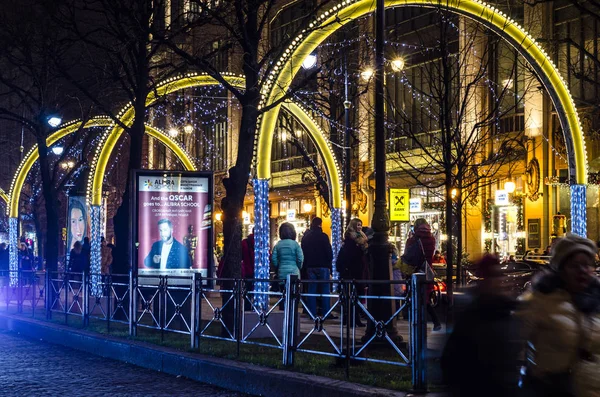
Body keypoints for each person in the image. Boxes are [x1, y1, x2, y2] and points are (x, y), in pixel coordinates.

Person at [519, 234, 600, 397]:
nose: (582, 271)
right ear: (561, 270)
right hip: (552, 390)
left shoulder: (597, 300)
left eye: (586, 265)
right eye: (574, 265)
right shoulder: (540, 300)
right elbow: (515, 347)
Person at [441, 254, 520, 397]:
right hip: (476, 387)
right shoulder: (471, 311)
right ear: (485, 281)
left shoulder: (506, 309)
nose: (502, 281)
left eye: (501, 275)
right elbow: (451, 358)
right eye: (495, 276)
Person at [403, 218, 441, 331]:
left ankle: (419, 322)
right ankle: (433, 322)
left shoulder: (413, 239)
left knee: (417, 297)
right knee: (425, 298)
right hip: (427, 270)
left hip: (415, 271)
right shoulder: (432, 239)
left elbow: (408, 255)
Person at [336, 218, 369, 327]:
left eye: (361, 225)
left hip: (356, 271)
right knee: (351, 296)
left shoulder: (361, 239)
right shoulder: (351, 240)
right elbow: (351, 257)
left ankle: (351, 318)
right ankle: (352, 319)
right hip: (351, 272)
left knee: (355, 296)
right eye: (358, 225)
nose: (360, 227)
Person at [301, 217, 334, 319]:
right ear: (320, 224)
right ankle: (326, 312)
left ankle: (312, 313)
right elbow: (329, 252)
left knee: (312, 290)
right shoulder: (324, 236)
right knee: (325, 289)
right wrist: (329, 263)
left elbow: (303, 252)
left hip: (310, 266)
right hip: (323, 265)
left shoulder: (307, 237)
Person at [271, 222, 303, 296]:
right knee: (294, 294)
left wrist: (279, 266)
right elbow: (300, 258)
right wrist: (298, 267)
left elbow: (274, 259)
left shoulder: (278, 245)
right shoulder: (296, 245)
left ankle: (284, 307)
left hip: (281, 272)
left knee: (283, 293)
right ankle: (293, 307)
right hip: (294, 272)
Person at [241, 229, 255, 310]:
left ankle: (247, 307)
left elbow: (241, 256)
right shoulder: (262, 242)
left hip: (247, 270)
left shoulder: (245, 242)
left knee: (247, 290)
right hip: (258, 272)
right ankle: (256, 308)